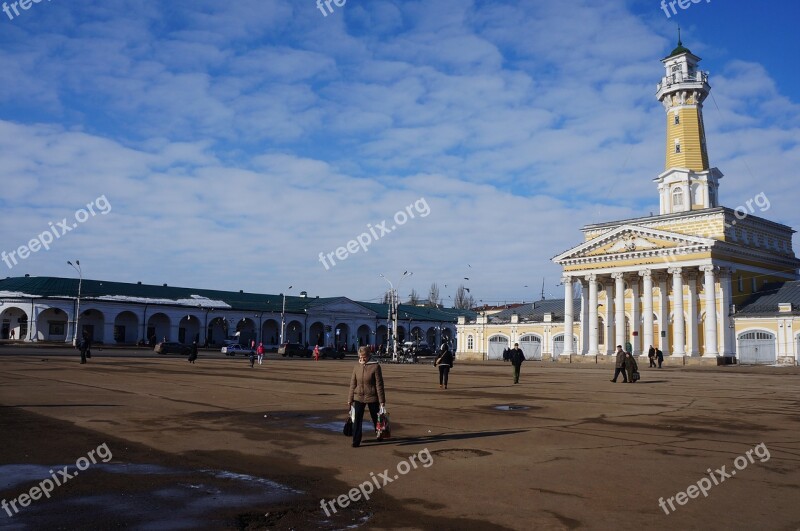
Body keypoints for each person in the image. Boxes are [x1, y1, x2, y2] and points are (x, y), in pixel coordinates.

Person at [347, 346, 386, 448]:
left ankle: (379, 434)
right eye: (360, 356)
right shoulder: (356, 367)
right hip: (358, 396)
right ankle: (356, 441)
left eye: (364, 357)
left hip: (372, 396)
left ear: (369, 356)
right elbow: (352, 384)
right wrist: (350, 399)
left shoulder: (375, 366)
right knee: (357, 420)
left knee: (376, 418)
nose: (362, 359)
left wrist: (382, 400)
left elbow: (379, 384)